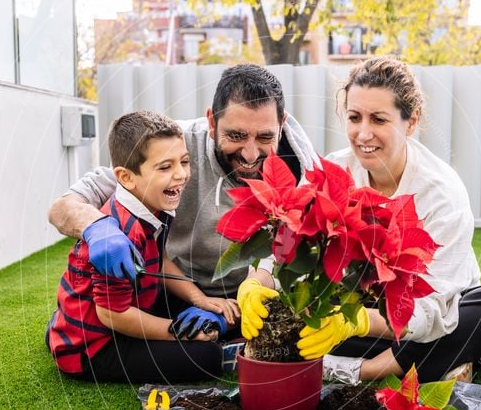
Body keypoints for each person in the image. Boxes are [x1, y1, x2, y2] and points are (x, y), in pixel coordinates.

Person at [249, 57, 481, 384]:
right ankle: (439, 366)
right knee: (293, 323)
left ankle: (366, 370)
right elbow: (286, 237)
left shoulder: (441, 193)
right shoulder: (332, 170)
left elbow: (433, 312)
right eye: (354, 117)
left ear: (410, 123)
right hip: (354, 312)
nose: (363, 133)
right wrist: (257, 281)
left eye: (379, 119)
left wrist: (356, 322)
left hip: (426, 317)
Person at [47, 64, 321, 333]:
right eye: (235, 135)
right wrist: (98, 229)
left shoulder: (300, 169)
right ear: (212, 122)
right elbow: (64, 207)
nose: (250, 155)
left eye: (264, 137)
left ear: (281, 125)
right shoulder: (173, 147)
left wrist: (257, 284)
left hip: (256, 290)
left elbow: (293, 246)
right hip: (174, 285)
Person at [46, 110, 229, 384]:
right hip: (96, 346)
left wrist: (198, 298)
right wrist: (175, 333)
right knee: (206, 358)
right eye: (165, 167)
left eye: (184, 162)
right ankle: (62, 332)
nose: (181, 175)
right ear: (127, 177)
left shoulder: (154, 204)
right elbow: (111, 314)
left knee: (206, 310)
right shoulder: (121, 232)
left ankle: (59, 324)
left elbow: (161, 259)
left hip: (133, 304)